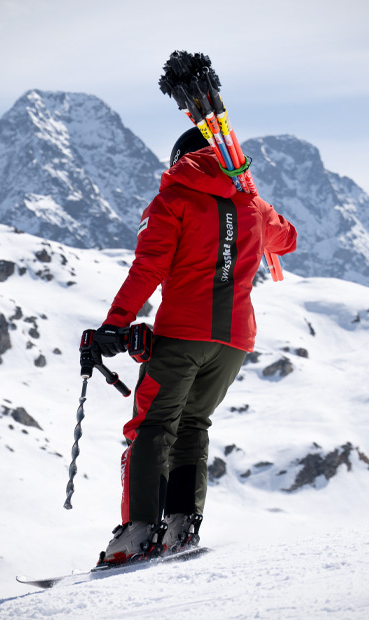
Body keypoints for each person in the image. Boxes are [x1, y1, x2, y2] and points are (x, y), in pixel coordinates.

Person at [88, 126, 298, 567]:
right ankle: (183, 524)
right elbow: (289, 239)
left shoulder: (173, 200)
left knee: (152, 427)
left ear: (180, 159)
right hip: (234, 343)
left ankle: (139, 530)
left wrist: (116, 323)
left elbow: (148, 268)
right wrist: (253, 200)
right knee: (193, 425)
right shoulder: (254, 207)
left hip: (182, 335)